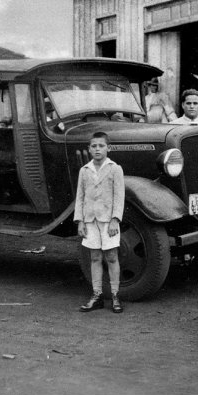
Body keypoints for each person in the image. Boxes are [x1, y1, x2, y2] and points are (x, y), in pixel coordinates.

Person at [74, 131, 125, 313]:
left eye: (101, 146)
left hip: (108, 221)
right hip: (90, 220)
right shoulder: (85, 170)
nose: (97, 149)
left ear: (108, 148)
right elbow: (80, 196)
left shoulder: (114, 169)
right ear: (89, 149)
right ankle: (97, 295)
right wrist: (80, 221)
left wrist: (114, 220)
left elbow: (120, 196)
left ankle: (115, 295)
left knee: (111, 256)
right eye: (94, 146)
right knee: (95, 257)